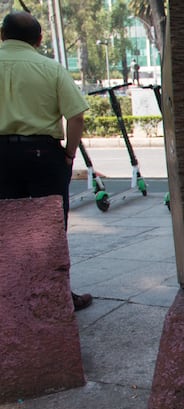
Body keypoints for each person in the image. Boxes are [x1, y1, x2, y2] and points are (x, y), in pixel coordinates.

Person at [0, 11, 92, 310]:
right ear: (39, 39)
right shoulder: (50, 68)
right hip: (42, 155)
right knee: (51, 231)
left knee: (5, 229)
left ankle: (10, 300)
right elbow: (75, 115)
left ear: (2, 36)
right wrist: (69, 154)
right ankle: (57, 298)